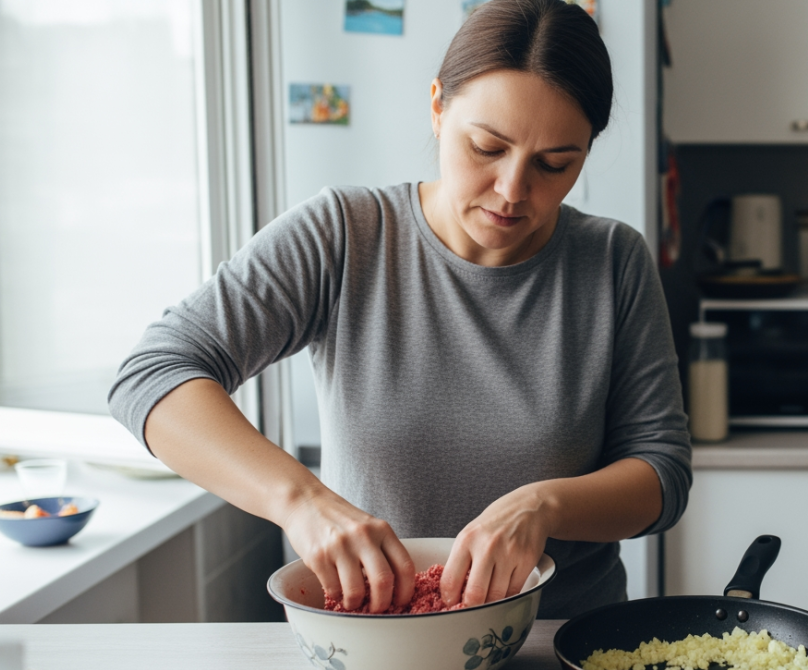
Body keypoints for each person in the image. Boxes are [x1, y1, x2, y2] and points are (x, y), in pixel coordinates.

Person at [108, 0, 691, 620]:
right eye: (487, 148)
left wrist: (544, 507)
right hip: (374, 646)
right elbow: (152, 373)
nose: (513, 190)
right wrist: (300, 500)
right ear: (438, 106)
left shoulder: (613, 260)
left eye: (555, 164)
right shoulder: (343, 234)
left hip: (558, 646)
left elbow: (663, 473)